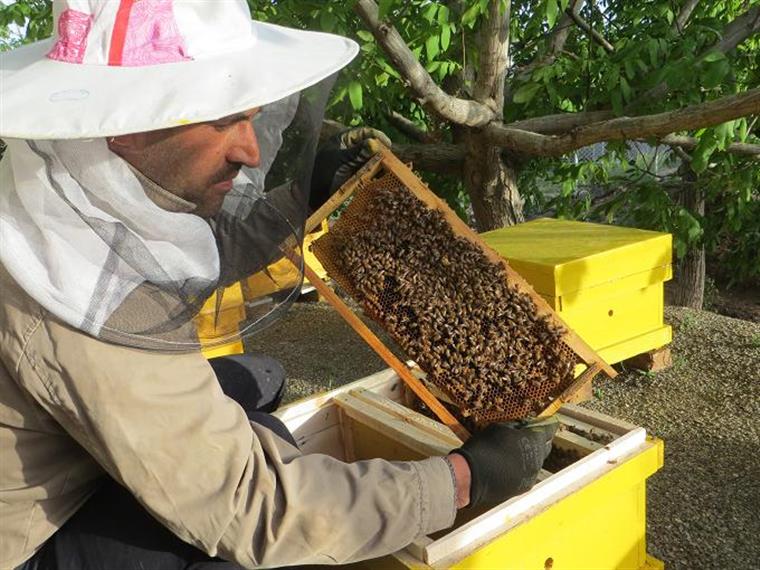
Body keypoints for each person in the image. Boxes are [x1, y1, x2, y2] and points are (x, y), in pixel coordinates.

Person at [0, 1, 558, 569]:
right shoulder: (91, 305)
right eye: (223, 121)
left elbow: (191, 253)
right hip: (24, 541)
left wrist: (300, 201)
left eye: (251, 116)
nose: (251, 150)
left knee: (260, 396)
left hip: (61, 442)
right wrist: (465, 480)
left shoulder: (64, 190)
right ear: (123, 125)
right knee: (240, 551)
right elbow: (254, 510)